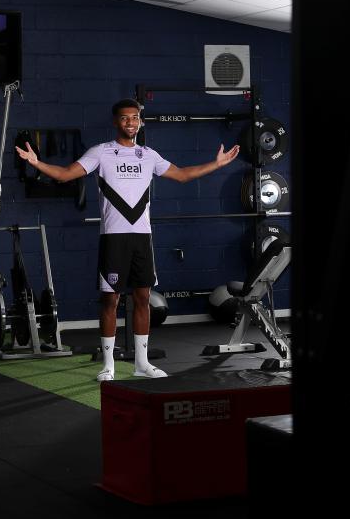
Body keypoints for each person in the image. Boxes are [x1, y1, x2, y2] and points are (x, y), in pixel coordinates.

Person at [15, 98, 240, 381]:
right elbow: (65, 175)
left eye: (135, 117)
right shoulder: (101, 153)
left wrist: (216, 164)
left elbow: (182, 175)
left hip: (141, 237)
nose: (130, 122)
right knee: (110, 300)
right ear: (115, 122)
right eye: (124, 118)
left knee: (143, 298)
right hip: (114, 237)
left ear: (140, 121)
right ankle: (108, 365)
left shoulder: (149, 155)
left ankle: (142, 363)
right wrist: (37, 163)